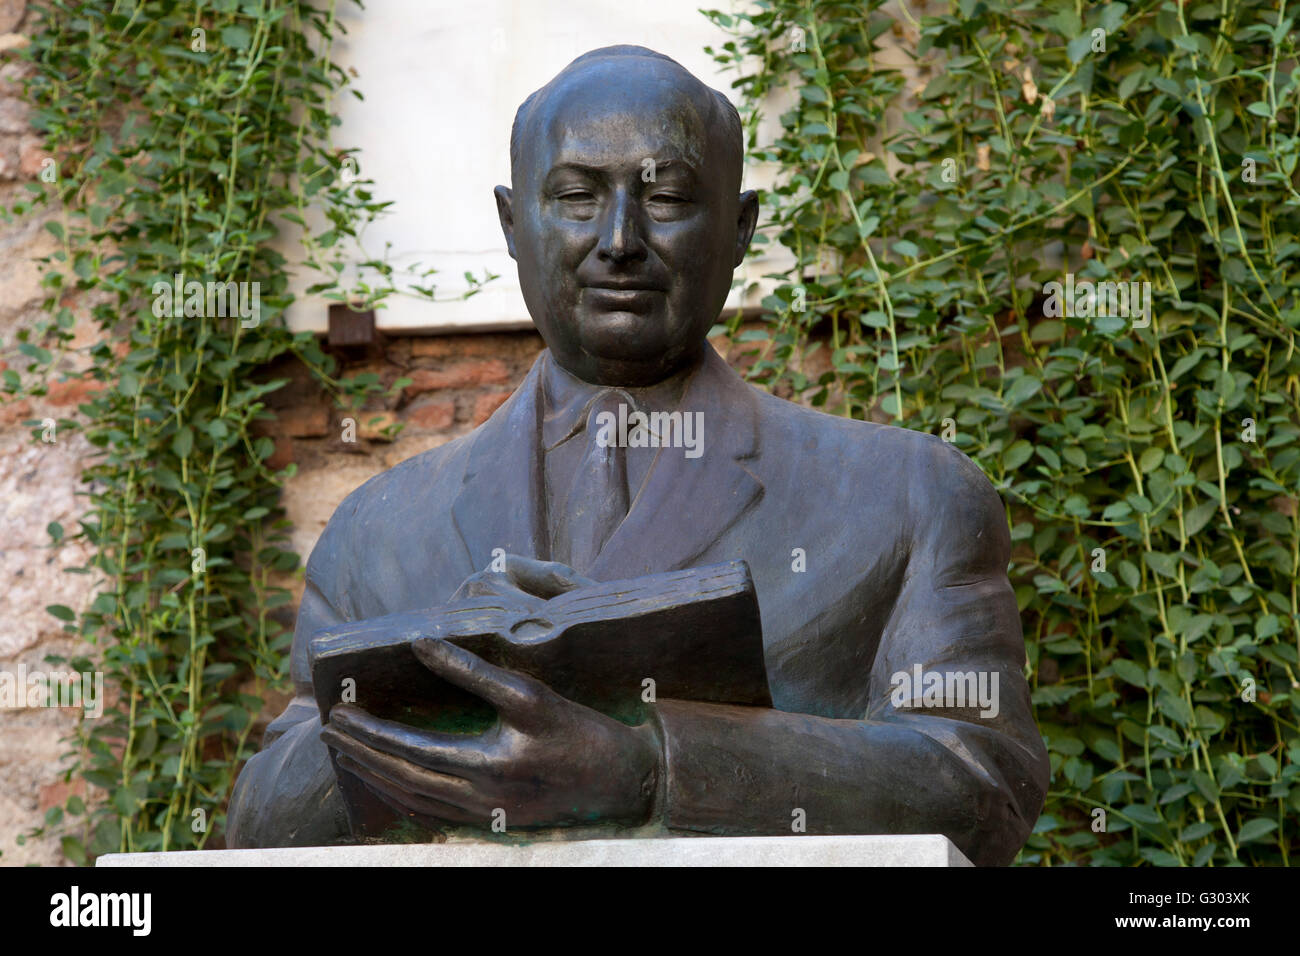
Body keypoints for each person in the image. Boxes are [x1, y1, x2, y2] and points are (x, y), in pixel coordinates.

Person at [227, 46, 1049, 865]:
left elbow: (982, 781)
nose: (619, 240)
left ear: (739, 228)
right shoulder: (379, 529)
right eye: (578, 197)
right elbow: (261, 824)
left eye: (668, 198)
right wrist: (437, 683)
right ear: (515, 228)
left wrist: (653, 767)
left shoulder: (906, 495)